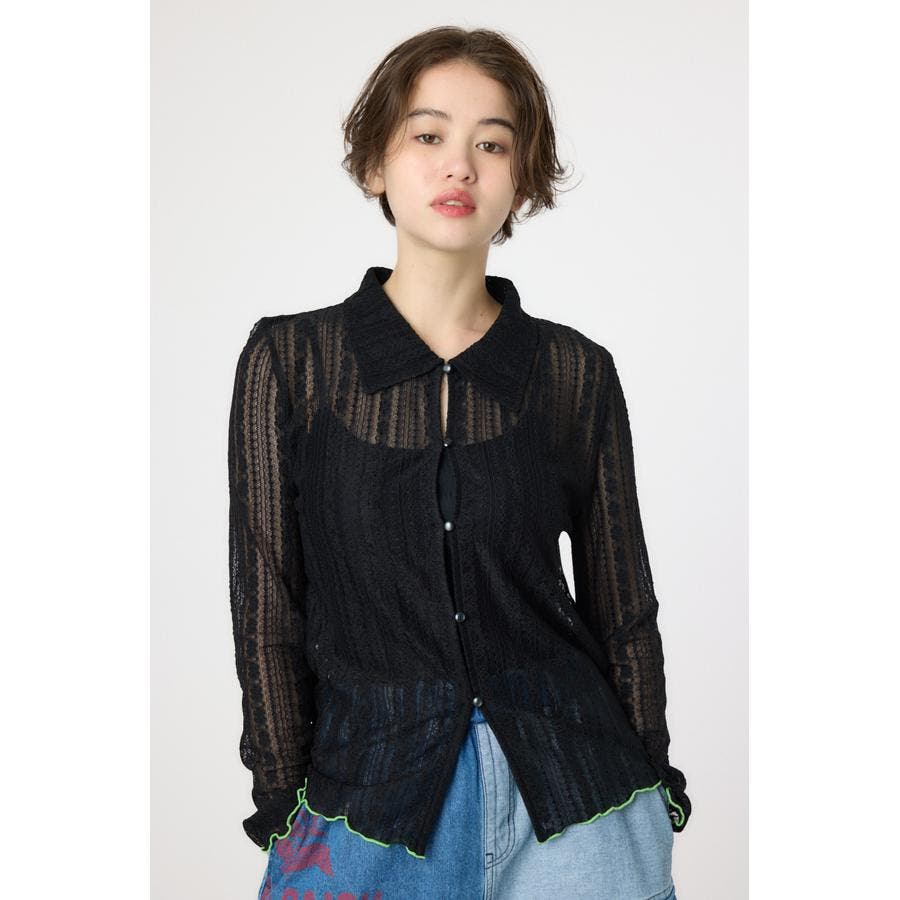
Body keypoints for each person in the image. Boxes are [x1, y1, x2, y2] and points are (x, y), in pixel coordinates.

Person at [228, 25, 690, 900]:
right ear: (376, 162)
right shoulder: (291, 363)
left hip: (579, 801)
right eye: (428, 135)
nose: (460, 167)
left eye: (493, 145)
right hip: (365, 804)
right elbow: (265, 607)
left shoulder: (574, 371)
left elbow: (624, 605)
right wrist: (284, 801)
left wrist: (653, 783)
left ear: (520, 179)